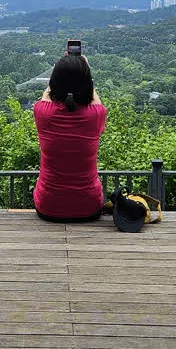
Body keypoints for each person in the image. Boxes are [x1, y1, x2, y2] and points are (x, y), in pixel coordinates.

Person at [32, 52, 107, 222]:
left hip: (48, 206)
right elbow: (95, 100)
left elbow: (47, 96)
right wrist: (84, 68)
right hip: (89, 207)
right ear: (87, 82)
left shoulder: (43, 113)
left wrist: (61, 73)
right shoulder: (96, 115)